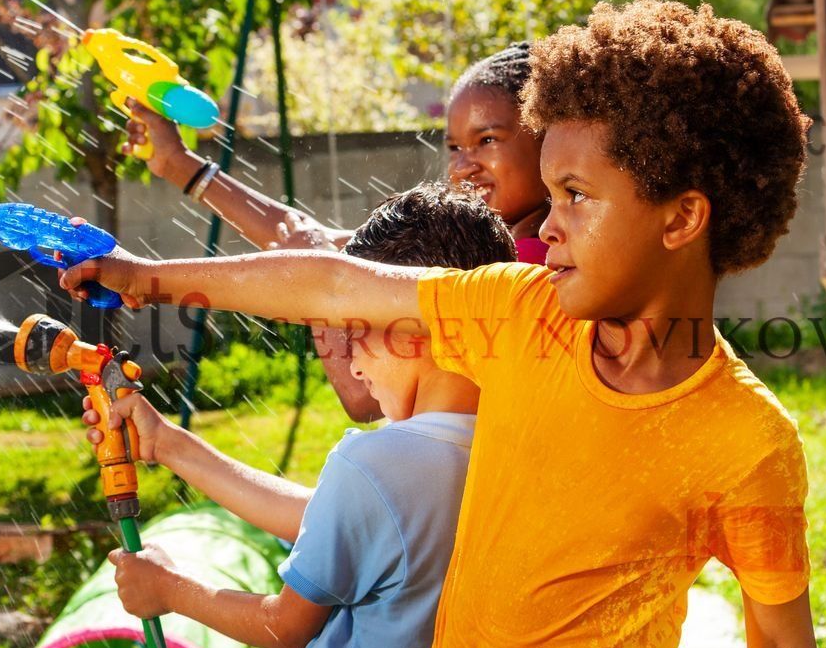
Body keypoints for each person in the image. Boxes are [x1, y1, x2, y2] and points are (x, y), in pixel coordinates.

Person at [64, 0, 820, 648]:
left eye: (577, 196)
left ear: (682, 218)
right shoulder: (522, 314)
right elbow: (333, 280)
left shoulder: (749, 442)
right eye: (551, 193)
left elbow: (783, 647)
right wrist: (139, 276)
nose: (547, 227)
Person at [87, 183, 518, 648]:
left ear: (412, 329)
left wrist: (169, 589)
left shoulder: (376, 464)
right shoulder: (507, 447)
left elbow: (285, 627)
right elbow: (336, 521)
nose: (354, 366)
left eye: (354, 333)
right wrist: (169, 443)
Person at [125, 43, 550, 422]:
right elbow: (306, 239)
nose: (462, 166)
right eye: (454, 147)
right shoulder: (474, 243)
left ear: (548, 139)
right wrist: (179, 165)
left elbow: (361, 397)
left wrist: (318, 286)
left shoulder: (532, 267)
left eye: (487, 139)